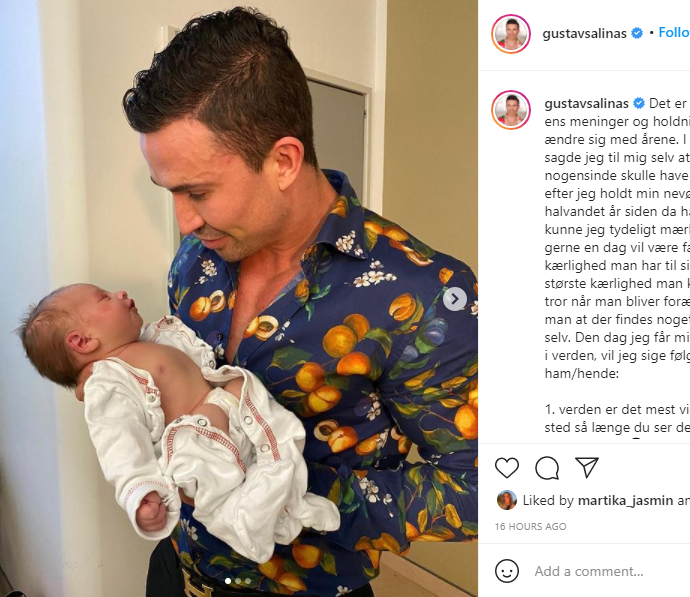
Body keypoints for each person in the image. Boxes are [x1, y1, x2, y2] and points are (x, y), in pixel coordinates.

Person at [123, 7, 478, 597]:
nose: (184, 222)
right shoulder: (197, 260)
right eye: (171, 192)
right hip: (177, 568)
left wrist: (295, 492)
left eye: (198, 192)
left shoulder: (424, 295)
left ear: (283, 161)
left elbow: (484, 487)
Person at [17, 284, 340, 563]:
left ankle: (288, 499)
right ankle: (250, 520)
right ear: (82, 342)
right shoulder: (108, 382)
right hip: (198, 450)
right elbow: (118, 443)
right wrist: (138, 490)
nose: (120, 293)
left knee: (247, 395)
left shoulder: (147, 342)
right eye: (104, 297)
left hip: (228, 416)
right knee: (227, 491)